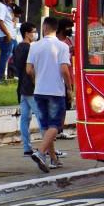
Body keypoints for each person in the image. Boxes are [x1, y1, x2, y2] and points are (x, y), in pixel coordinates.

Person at [27, 17, 74, 172]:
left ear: (44, 28)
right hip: (55, 91)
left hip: (39, 91)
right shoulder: (62, 46)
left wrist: (39, 74)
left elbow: (28, 70)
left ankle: (53, 159)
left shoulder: (34, 46)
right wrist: (69, 87)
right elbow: (64, 70)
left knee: (47, 126)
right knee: (56, 126)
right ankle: (40, 152)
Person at [15, 21, 44, 156]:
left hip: (22, 87)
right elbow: (31, 69)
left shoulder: (17, 47)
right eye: (33, 31)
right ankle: (47, 148)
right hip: (31, 87)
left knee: (25, 118)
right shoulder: (30, 48)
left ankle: (27, 147)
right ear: (27, 34)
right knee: (41, 117)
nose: (35, 34)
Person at [56, 18, 76, 140]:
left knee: (64, 106)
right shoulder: (56, 41)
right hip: (58, 77)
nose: (70, 30)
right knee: (56, 106)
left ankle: (60, 130)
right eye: (69, 28)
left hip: (69, 76)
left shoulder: (69, 40)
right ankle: (53, 130)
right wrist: (68, 50)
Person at [0, 0, 17, 83]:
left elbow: (14, 17)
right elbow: (0, 21)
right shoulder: (1, 8)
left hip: (12, 37)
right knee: (4, 58)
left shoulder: (8, 8)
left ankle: (12, 76)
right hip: (6, 37)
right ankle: (1, 79)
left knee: (17, 56)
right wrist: (7, 34)